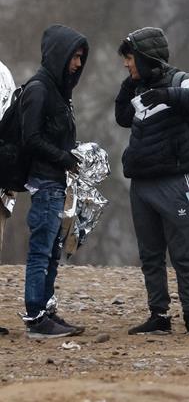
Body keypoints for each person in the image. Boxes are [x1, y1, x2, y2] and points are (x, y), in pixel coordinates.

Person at [115, 27, 189, 336]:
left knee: (182, 253)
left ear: (146, 58)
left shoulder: (179, 80)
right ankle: (158, 315)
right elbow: (121, 117)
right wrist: (129, 84)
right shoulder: (135, 86)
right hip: (141, 183)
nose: (126, 64)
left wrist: (168, 96)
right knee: (150, 254)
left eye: (129, 58)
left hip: (174, 182)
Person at [20, 25, 89, 339]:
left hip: (57, 185)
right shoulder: (39, 89)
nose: (77, 64)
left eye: (80, 58)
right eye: (74, 57)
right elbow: (30, 139)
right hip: (45, 184)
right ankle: (36, 317)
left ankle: (46, 311)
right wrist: (65, 158)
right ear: (59, 55)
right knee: (40, 251)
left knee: (51, 252)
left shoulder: (58, 92)